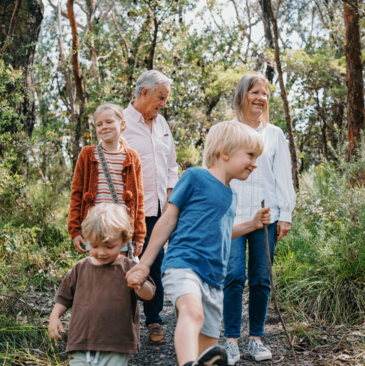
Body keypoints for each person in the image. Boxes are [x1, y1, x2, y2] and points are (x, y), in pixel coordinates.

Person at [126, 121, 271, 366]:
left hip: (214, 279)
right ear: (225, 152)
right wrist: (145, 265)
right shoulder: (194, 177)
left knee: (210, 346)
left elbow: (223, 231)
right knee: (192, 312)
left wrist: (252, 224)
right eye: (250, 155)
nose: (254, 163)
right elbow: (167, 221)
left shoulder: (230, 194)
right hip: (184, 265)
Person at [222, 74, 296, 364]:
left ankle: (255, 339)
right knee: (233, 275)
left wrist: (285, 214)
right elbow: (212, 172)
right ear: (242, 95)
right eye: (255, 92)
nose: (260, 98)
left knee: (261, 278)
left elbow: (282, 176)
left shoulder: (274, 134)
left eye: (265, 94)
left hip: (267, 216)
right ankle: (230, 341)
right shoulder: (225, 131)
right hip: (233, 216)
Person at [49, 203, 156, 366]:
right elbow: (64, 296)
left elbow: (149, 295)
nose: (101, 252)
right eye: (95, 246)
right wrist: (55, 316)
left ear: (124, 240)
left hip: (116, 345)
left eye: (109, 246)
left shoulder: (130, 268)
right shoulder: (80, 268)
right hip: (81, 343)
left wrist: (139, 285)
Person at [123, 70, 177, 345]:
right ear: (144, 93)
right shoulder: (120, 122)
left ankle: (154, 322)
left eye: (165, 98)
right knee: (123, 262)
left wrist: (170, 201)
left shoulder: (163, 124)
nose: (163, 103)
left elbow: (171, 166)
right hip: (125, 210)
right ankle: (121, 324)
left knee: (154, 261)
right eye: (160, 97)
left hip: (157, 208)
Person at [68, 103, 146, 259]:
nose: (104, 127)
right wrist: (74, 230)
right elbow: (76, 193)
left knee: (119, 274)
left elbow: (139, 199)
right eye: (99, 124)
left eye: (109, 122)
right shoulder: (87, 154)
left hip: (121, 227)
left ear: (122, 124)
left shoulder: (132, 157)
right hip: (95, 226)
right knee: (97, 274)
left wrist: (139, 235)